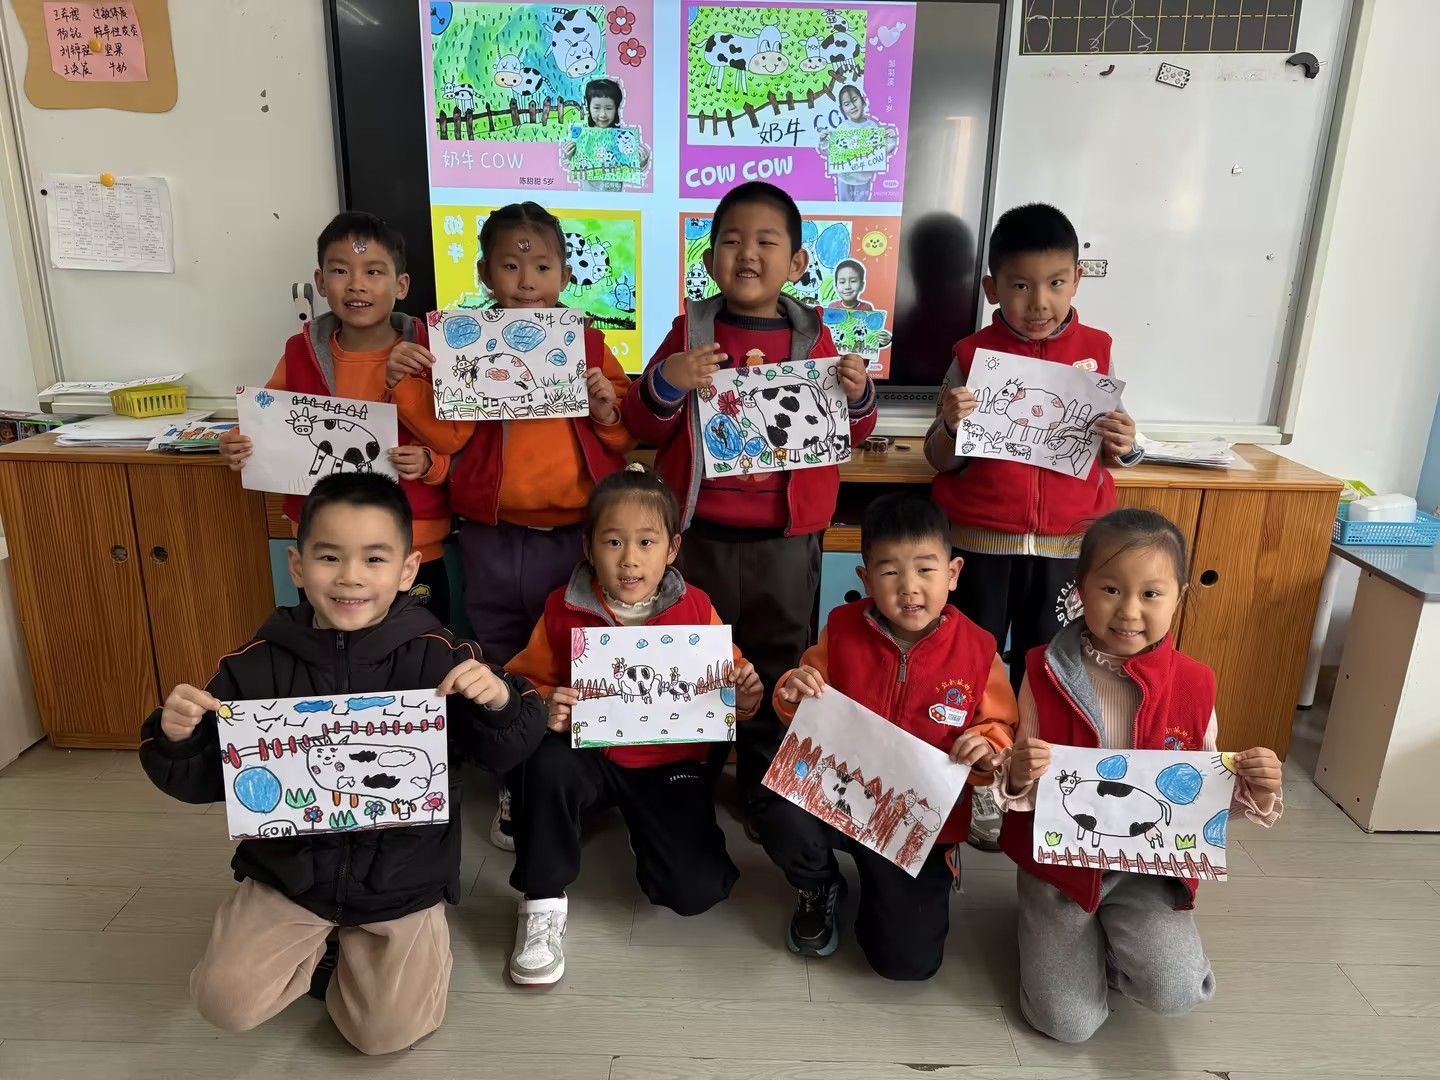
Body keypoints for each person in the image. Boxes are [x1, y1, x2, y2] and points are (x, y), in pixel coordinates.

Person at [138, 473, 546, 1055]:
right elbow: (212, 780)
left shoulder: (442, 658)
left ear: (407, 570)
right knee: (223, 1001)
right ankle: (325, 946)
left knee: (384, 1035)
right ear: (298, 566)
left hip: (401, 881)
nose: (351, 576)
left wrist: (500, 702)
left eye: (374, 558)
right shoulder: (254, 665)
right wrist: (178, 739)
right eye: (329, 557)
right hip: (291, 878)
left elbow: (506, 749)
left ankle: (380, 953)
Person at [622, 180, 878, 824]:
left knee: (778, 661)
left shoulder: (814, 338)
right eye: (732, 241)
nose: (748, 254)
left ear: (796, 262)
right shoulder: (690, 331)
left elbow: (852, 432)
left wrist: (858, 396)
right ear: (710, 260)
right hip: (698, 535)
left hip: (785, 541)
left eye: (767, 242)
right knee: (695, 659)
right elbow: (641, 423)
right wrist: (669, 380)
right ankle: (692, 774)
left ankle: (766, 784)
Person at [386, 200, 633, 853]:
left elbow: (621, 431)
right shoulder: (466, 339)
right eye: (510, 265)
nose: (527, 280)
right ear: (485, 273)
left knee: (575, 649)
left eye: (543, 266)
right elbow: (449, 435)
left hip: (575, 534)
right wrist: (405, 385)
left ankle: (574, 774)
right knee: (497, 647)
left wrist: (606, 408)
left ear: (564, 275)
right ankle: (512, 775)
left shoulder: (585, 340)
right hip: (492, 531)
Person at [993, 508, 1283, 1043]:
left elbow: (1201, 792)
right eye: (1110, 589)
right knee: (1068, 1025)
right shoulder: (1040, 670)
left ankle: (1109, 943)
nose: (1129, 611)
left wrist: (1253, 785)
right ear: (1080, 589)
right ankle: (1054, 935)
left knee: (1177, 991)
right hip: (1059, 867)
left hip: (1146, 871)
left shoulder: (1196, 683)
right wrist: (1017, 773)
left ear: (1179, 596)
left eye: (1151, 593)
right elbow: (1020, 784)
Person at [502, 464, 763, 986]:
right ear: (588, 546)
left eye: (646, 542)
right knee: (544, 763)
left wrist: (746, 696)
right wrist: (545, 703)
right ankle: (542, 901)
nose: (629, 559)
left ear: (672, 549)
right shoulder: (562, 607)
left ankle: (642, 827)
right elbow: (522, 683)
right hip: (590, 756)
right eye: (613, 541)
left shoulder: (696, 607)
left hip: (669, 762)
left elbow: (730, 688)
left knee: (696, 890)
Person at [756, 493, 1017, 978]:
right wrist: (792, 691)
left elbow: (1002, 728)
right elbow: (802, 701)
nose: (909, 587)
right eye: (890, 571)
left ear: (953, 573)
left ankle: (924, 873)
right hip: (838, 799)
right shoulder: (841, 629)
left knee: (906, 964)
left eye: (925, 569)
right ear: (866, 578)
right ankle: (819, 885)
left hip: (916, 825)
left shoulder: (979, 650)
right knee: (778, 809)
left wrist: (988, 746)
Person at [219, 212, 458, 626]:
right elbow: (269, 416)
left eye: (374, 271)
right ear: (320, 281)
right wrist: (239, 441)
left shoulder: (434, 353)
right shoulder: (299, 353)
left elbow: (459, 439)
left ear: (401, 285)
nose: (356, 284)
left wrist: (430, 463)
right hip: (325, 544)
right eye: (340, 270)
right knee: (331, 644)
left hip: (412, 540)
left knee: (420, 646)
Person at [561, 77, 652, 193]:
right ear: (588, 107)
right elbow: (572, 166)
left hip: (614, 199)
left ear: (616, 109)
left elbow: (631, 168)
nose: (602, 114)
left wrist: (641, 163)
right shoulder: (582, 138)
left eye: (609, 108)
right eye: (596, 108)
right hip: (588, 199)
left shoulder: (624, 139)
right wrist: (569, 156)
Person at [819, 84, 899, 202]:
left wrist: (891, 138)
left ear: (863, 100)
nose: (852, 106)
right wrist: (824, 141)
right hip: (843, 177)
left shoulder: (872, 127)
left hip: (863, 179)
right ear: (842, 108)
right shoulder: (842, 128)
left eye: (855, 100)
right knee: (843, 208)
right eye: (847, 104)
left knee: (861, 207)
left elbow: (881, 151)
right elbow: (831, 152)